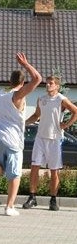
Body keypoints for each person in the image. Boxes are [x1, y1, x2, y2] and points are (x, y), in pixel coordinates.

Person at [0, 52, 42, 216]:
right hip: (13, 139)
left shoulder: (0, 93)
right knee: (14, 174)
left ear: (10, 81)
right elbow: (37, 78)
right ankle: (9, 206)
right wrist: (25, 64)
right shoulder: (18, 94)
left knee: (1, 168)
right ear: (22, 83)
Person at [22, 75, 77, 211]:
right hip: (40, 138)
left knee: (54, 171)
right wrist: (23, 123)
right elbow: (36, 115)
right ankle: (32, 197)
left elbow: (75, 111)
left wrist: (65, 125)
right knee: (34, 167)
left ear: (57, 86)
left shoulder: (61, 99)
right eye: (47, 83)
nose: (48, 85)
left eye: (51, 83)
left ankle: (53, 200)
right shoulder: (41, 99)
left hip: (55, 139)